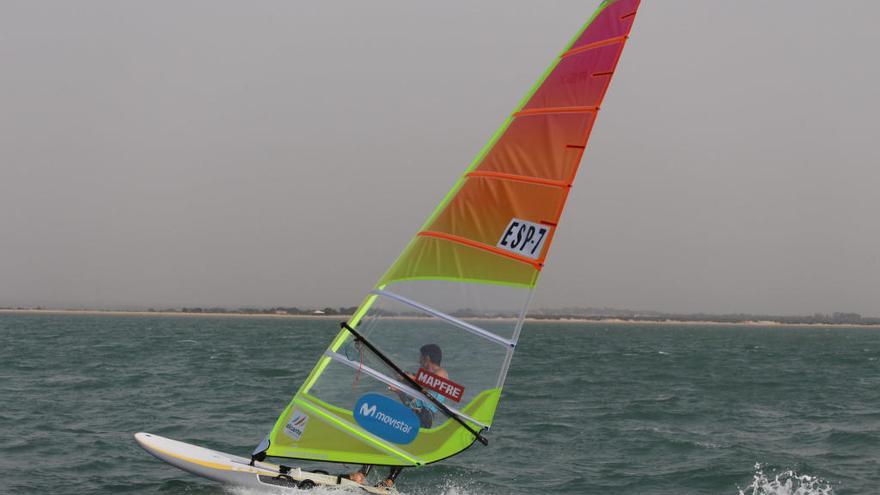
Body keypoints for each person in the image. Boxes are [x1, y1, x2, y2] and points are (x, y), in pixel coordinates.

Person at [349, 344, 447, 489]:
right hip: (415, 413)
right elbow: (412, 399)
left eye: (421, 358)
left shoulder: (441, 373)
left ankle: (379, 478)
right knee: (383, 435)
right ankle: (368, 476)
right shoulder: (423, 378)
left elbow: (427, 385)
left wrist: (407, 378)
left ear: (427, 358)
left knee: (395, 438)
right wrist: (400, 391)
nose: (419, 361)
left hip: (424, 416)